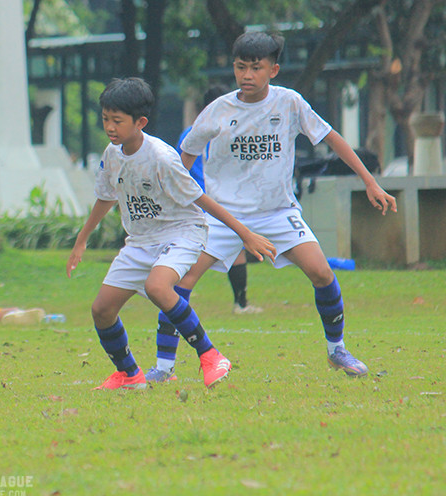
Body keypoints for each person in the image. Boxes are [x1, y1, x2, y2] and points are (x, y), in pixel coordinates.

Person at [150, 31, 397, 382]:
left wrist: (369, 181)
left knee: (322, 273)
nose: (247, 75)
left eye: (255, 67)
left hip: (278, 212)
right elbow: (183, 160)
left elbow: (332, 139)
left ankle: (337, 350)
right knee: (179, 282)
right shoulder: (217, 110)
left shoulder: (290, 103)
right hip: (223, 217)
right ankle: (163, 368)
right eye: (240, 67)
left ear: (273, 70)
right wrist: (171, 206)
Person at [66, 77, 275, 391]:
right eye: (106, 119)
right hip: (140, 240)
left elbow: (201, 199)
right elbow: (106, 197)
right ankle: (129, 374)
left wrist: (245, 234)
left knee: (158, 287)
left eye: (117, 121)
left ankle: (210, 355)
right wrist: (81, 239)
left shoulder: (162, 158)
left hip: (182, 232)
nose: (109, 127)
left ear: (141, 122)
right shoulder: (112, 154)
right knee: (102, 309)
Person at [148, 83, 262, 383]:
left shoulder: (234, 131)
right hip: (204, 210)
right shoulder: (197, 133)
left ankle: (241, 303)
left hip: (228, 209)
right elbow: (179, 173)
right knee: (178, 284)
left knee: (233, 255)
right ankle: (165, 364)